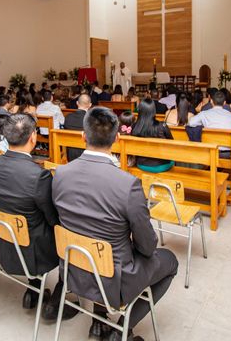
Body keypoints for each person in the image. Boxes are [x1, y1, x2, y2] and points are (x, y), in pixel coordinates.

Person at [53, 107, 178, 341]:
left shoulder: (60, 174)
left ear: (82, 136)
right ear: (117, 139)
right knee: (169, 261)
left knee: (99, 242)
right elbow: (148, 246)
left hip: (73, 268)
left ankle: (98, 323)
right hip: (113, 278)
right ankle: (122, 329)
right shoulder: (127, 184)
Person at [0, 113, 78, 321]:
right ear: (33, 137)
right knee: (68, 234)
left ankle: (34, 289)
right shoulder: (38, 175)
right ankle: (60, 296)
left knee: (26, 220)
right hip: (33, 252)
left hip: (2, 243)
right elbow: (53, 219)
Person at [188, 91, 231, 158]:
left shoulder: (204, 114)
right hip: (229, 152)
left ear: (211, 101)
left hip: (210, 150)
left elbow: (190, 123)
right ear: (224, 103)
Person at [132, 99, 174, 173]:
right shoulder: (162, 126)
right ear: (154, 111)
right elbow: (171, 143)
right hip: (161, 165)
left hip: (141, 163)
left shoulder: (135, 126)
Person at [62, 93, 91, 161]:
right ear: (90, 105)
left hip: (71, 154)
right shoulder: (91, 119)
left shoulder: (68, 117)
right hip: (87, 154)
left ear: (77, 103)